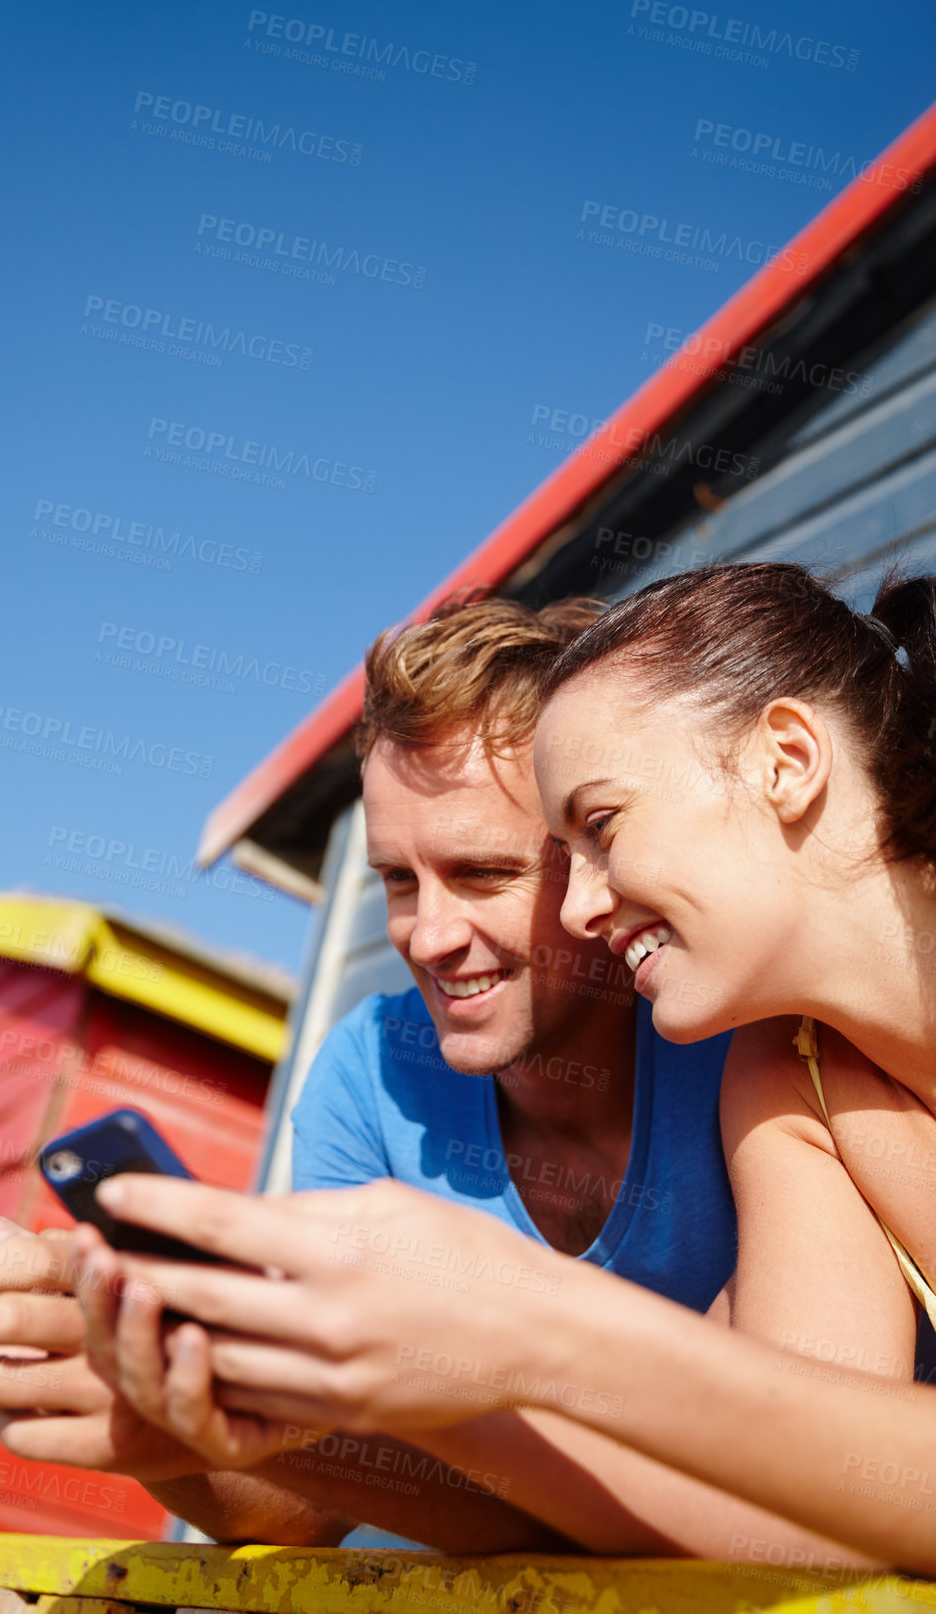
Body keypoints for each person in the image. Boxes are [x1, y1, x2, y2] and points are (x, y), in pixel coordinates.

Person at [63, 562, 936, 1571]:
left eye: (598, 831)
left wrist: (529, 1325)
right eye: (394, 880)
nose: (581, 909)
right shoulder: (792, 1074)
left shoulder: (742, 1054)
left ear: (784, 759)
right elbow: (811, 1509)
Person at [0, 593, 746, 1553]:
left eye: (483, 874)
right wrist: (140, 1416)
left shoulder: (740, 1047)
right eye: (399, 880)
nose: (429, 938)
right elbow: (309, 1507)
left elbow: (751, 1498)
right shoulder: (373, 1071)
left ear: (598, 859)